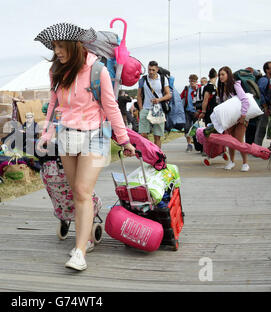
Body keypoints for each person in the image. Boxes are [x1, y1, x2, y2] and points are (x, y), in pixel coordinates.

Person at [34, 22, 136, 271]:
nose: (56, 51)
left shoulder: (97, 70)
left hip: (96, 135)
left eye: (60, 46)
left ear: (74, 45)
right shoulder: (56, 71)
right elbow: (53, 103)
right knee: (78, 191)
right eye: (54, 46)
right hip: (67, 135)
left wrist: (123, 139)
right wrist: (46, 133)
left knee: (80, 189)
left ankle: (79, 252)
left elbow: (111, 106)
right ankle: (88, 232)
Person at [218, 66, 250, 172]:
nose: (220, 77)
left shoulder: (236, 85)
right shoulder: (222, 88)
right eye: (219, 75)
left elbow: (245, 100)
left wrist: (244, 115)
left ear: (228, 74)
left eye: (223, 74)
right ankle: (232, 161)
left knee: (239, 141)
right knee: (230, 141)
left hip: (241, 118)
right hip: (231, 119)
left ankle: (245, 163)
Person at [136, 61, 172, 148]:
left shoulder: (163, 79)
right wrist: (141, 109)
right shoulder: (143, 79)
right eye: (149, 70)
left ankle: (157, 156)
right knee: (143, 134)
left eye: (153, 70)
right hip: (145, 108)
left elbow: (168, 95)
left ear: (157, 69)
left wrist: (159, 100)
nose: (151, 72)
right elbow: (139, 95)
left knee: (157, 136)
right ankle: (150, 150)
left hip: (158, 110)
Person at [255, 61, 271, 146]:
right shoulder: (264, 80)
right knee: (261, 128)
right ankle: (256, 148)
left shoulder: (268, 80)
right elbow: (259, 92)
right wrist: (265, 106)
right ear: (267, 70)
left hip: (265, 107)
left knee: (262, 128)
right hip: (263, 108)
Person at [180, 74, 200, 152]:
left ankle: (198, 144)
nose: (192, 83)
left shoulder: (199, 88)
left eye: (193, 81)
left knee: (196, 129)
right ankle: (189, 144)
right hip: (188, 111)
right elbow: (180, 97)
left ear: (196, 81)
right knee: (187, 128)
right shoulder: (186, 89)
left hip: (197, 112)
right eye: (190, 81)